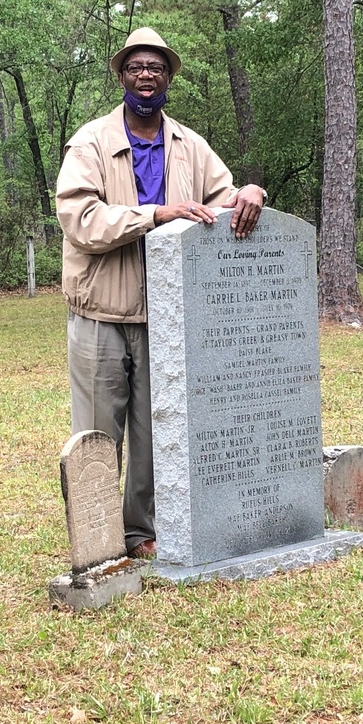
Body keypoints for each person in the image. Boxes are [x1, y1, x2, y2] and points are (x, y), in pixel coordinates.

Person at [56, 28, 267, 559]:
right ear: (121, 75)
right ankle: (98, 538)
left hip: (169, 317)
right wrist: (156, 214)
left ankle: (140, 531)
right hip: (101, 311)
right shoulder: (91, 143)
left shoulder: (189, 146)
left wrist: (249, 192)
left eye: (155, 68)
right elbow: (81, 221)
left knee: (157, 429)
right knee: (99, 434)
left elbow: (224, 200)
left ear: (169, 77)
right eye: (135, 68)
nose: (145, 76)